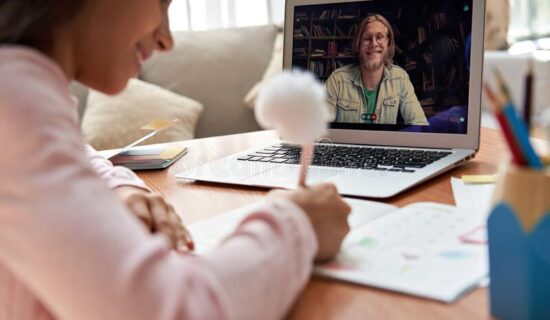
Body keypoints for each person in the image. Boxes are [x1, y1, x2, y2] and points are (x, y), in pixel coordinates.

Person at [0, 1, 351, 319]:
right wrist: (297, 224)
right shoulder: (15, 101)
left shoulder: (20, 88)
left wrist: (120, 191)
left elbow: (76, 154)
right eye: (162, 2)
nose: (166, 40)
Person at [326, 14, 429, 126]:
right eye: (367, 38)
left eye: (379, 37)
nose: (374, 43)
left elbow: (419, 125)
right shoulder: (337, 80)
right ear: (358, 44)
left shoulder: (400, 77)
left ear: (389, 44)